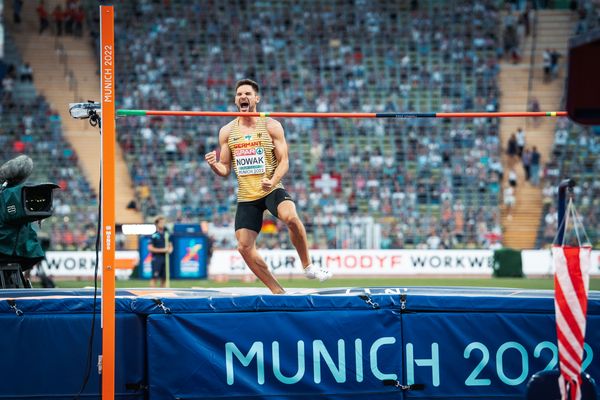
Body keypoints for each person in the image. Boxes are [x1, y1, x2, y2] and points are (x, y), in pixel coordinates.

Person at [205, 79, 332, 294]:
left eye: (247, 93)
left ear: (257, 98)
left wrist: (272, 181)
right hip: (247, 195)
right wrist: (215, 166)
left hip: (271, 188)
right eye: (239, 94)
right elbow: (225, 168)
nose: (242, 97)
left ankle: (308, 267)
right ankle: (277, 291)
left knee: (291, 218)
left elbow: (284, 161)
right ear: (236, 100)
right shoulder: (227, 131)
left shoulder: (271, 125)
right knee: (243, 247)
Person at [148, 215, 172, 288]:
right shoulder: (154, 235)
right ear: (157, 224)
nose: (162, 224)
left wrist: (170, 249)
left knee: (164, 278)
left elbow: (170, 245)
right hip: (156, 259)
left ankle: (163, 295)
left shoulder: (166, 234)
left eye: (163, 222)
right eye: (161, 222)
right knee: (154, 277)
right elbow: (150, 248)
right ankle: (152, 295)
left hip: (165, 258)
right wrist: (163, 250)